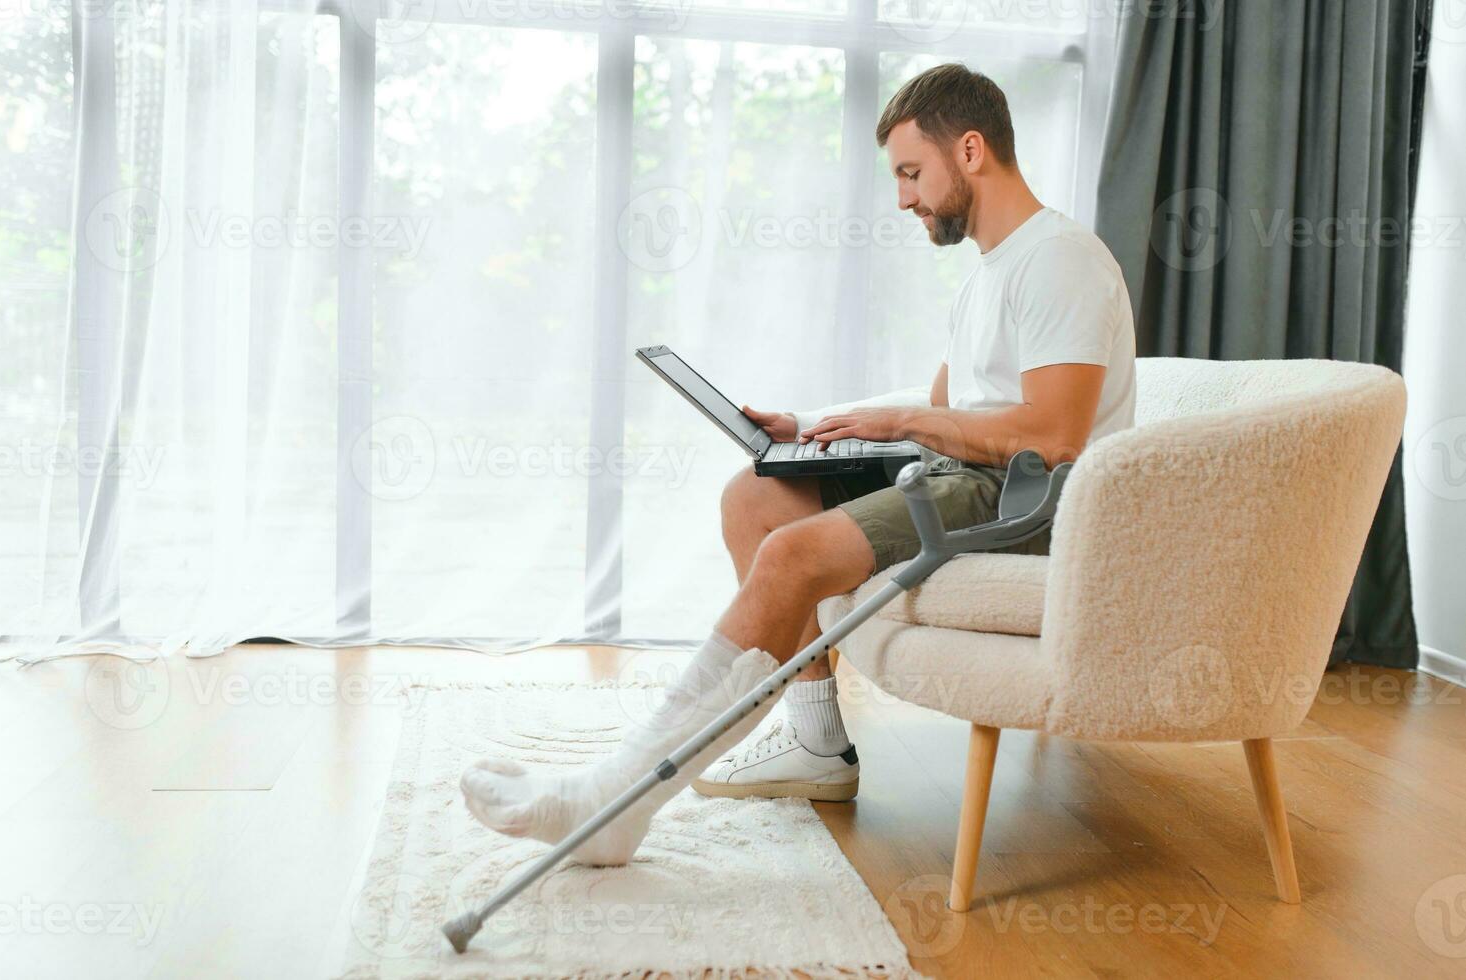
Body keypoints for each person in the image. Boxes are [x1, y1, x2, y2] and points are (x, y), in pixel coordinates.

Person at [460, 63, 1137, 866]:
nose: (903, 198)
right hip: (969, 477)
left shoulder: (1059, 259)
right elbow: (945, 417)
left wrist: (905, 418)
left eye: (911, 173)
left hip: (1027, 499)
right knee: (757, 497)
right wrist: (807, 428)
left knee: (791, 555)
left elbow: (1054, 436)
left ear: (969, 150)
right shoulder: (989, 273)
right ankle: (816, 744)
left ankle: (619, 798)